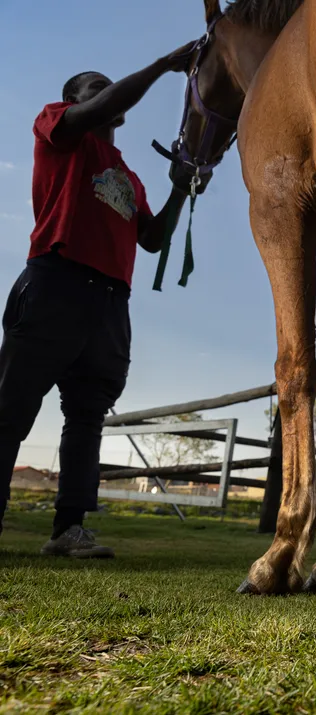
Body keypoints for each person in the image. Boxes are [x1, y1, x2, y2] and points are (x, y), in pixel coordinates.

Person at [0, 41, 197, 558]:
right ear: (72, 98)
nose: (108, 93)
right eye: (96, 87)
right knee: (10, 408)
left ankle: (68, 530)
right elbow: (98, 110)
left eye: (110, 88)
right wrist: (161, 65)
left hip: (110, 303)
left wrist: (180, 187)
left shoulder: (129, 177)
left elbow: (152, 239)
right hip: (54, 283)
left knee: (86, 417)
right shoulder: (58, 125)